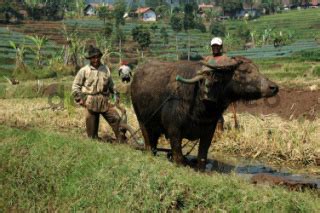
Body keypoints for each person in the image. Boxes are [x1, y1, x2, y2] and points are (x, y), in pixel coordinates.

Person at [72, 45, 126, 142]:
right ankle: (94, 141)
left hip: (104, 99)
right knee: (92, 134)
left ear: (100, 57)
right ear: (90, 59)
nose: (96, 59)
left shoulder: (105, 69)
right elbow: (76, 86)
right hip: (90, 100)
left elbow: (111, 85)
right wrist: (80, 99)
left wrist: (116, 94)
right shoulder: (84, 70)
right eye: (93, 57)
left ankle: (121, 140)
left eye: (97, 57)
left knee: (116, 119)